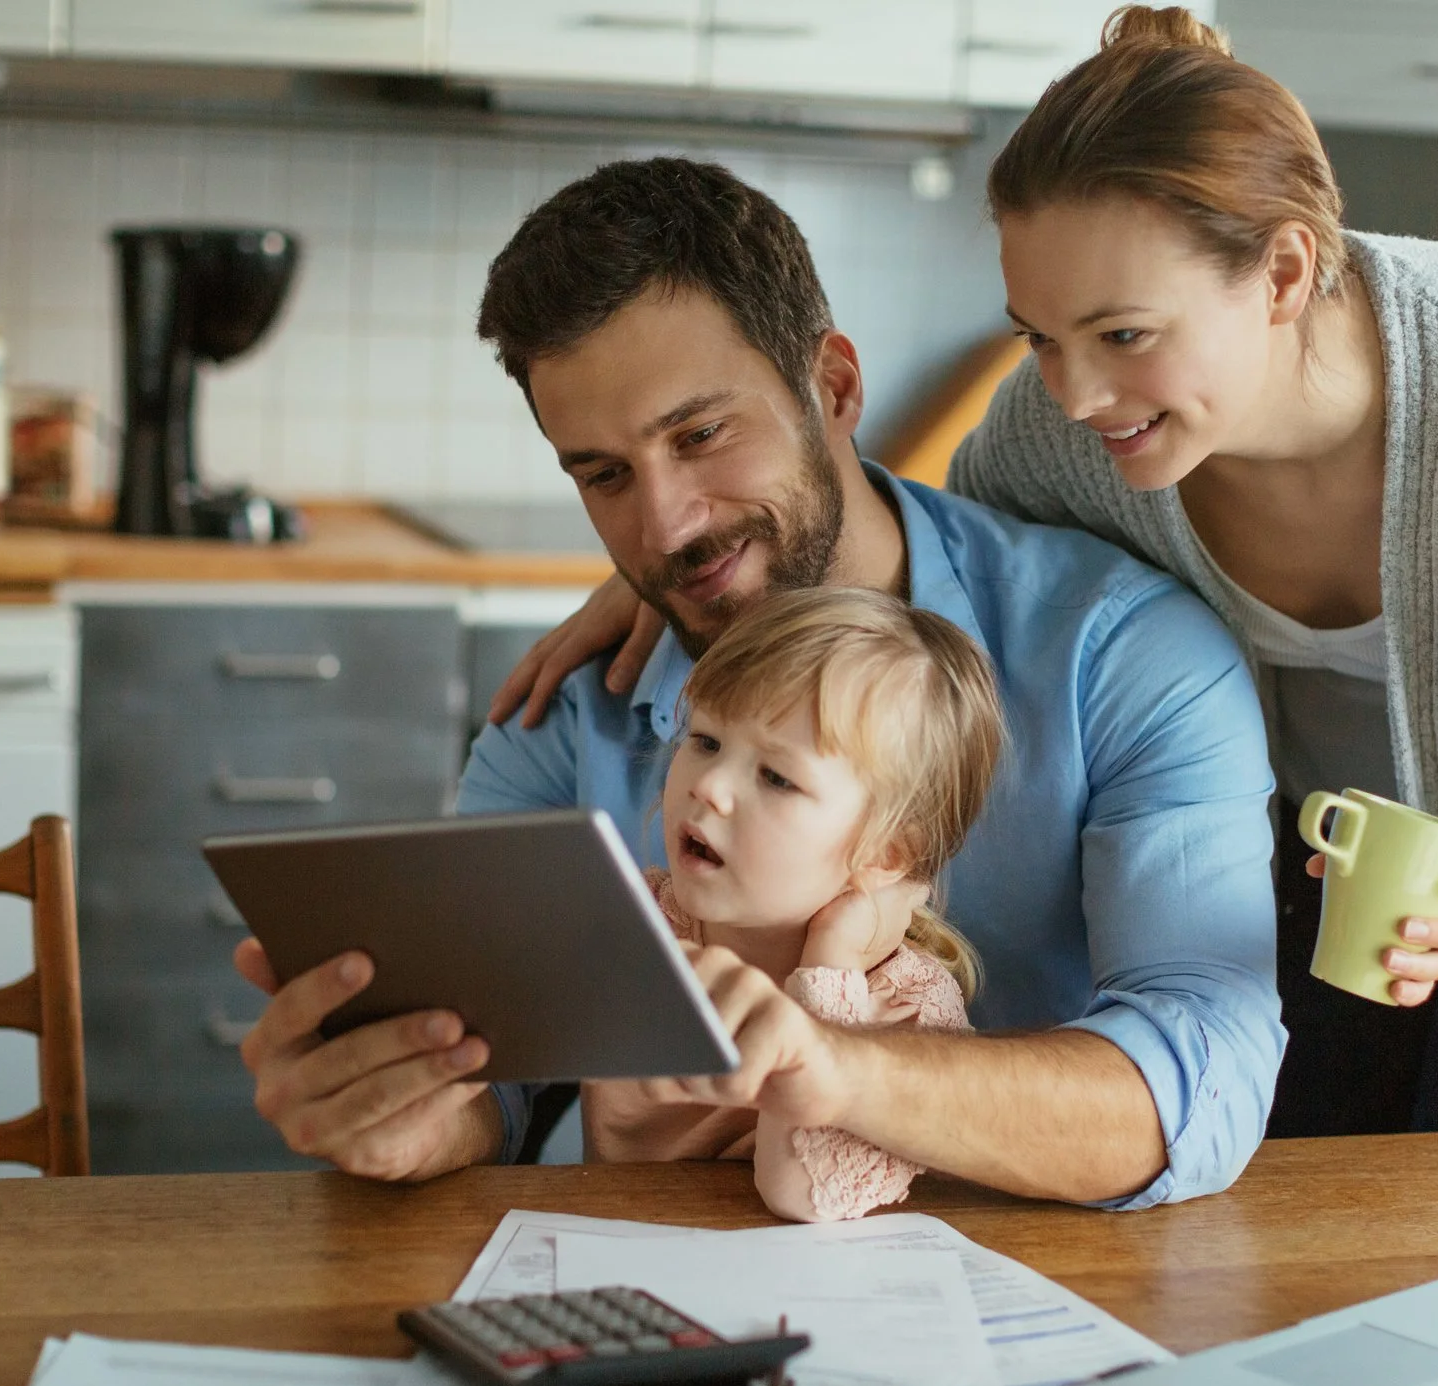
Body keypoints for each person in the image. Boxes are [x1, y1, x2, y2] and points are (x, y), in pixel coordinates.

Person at [502, 13, 1438, 1140]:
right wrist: (687, 565)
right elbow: (933, 583)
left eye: (1123, 337)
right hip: (1321, 853)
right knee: (1306, 1176)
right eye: (1040, 337)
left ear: (1283, 276)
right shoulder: (1064, 430)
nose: (1076, 391)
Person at [235, 155, 1286, 1207]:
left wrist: (835, 1070)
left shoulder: (1125, 656)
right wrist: (414, 1113)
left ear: (831, 386)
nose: (664, 526)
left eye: (700, 435)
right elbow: (493, 1073)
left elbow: (1204, 1076)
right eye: (603, 473)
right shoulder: (563, 712)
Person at [593, 587, 1005, 1222]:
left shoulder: (907, 1006)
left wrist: (828, 972)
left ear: (887, 853)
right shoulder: (641, 924)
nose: (709, 786)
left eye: (776, 777)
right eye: (704, 740)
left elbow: (799, 1194)